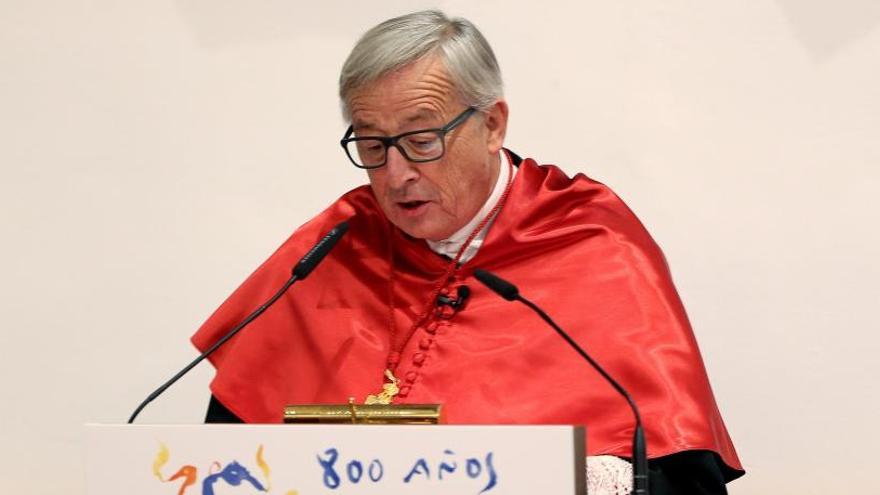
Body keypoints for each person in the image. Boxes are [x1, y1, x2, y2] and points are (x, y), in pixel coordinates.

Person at [192, 10, 744, 494]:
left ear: (491, 125)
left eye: (422, 140)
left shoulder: (592, 241)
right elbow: (232, 451)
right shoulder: (336, 244)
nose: (397, 173)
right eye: (371, 145)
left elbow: (678, 470)